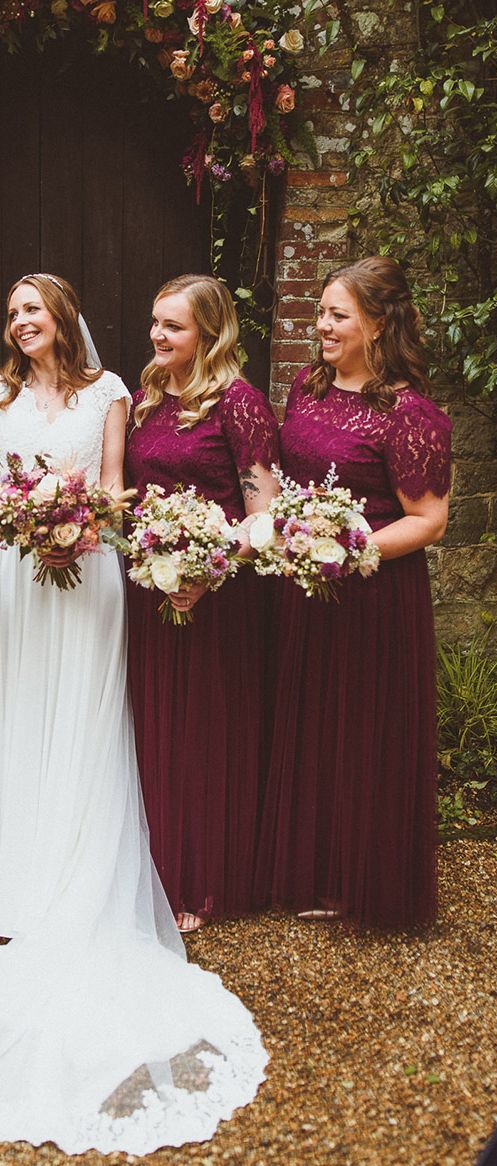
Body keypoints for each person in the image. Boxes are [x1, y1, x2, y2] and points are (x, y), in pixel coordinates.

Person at [0, 273, 268, 1155]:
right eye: (11, 314)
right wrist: (23, 519)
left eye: (32, 308)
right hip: (16, 577)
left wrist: (76, 522)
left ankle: (76, 863)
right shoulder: (2, 393)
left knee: (84, 714)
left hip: (88, 575)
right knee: (17, 710)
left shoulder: (114, 393)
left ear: (63, 316)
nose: (19, 321)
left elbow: (115, 490)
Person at [254, 256, 451, 927]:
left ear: (378, 324)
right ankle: (314, 873)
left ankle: (364, 881)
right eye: (322, 313)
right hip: (307, 593)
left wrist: (349, 545)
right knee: (311, 723)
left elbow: (429, 519)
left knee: (365, 733)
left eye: (339, 314)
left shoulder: (408, 414)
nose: (323, 326)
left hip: (374, 600)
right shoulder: (306, 391)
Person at [125, 274, 279, 932]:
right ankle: (154, 874)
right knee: (156, 730)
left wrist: (207, 570)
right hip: (150, 592)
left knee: (206, 736)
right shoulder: (146, 398)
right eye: (156, 322)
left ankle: (205, 879)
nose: (158, 335)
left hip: (218, 599)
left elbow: (265, 515)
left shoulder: (239, 405)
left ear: (208, 335)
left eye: (175, 326)